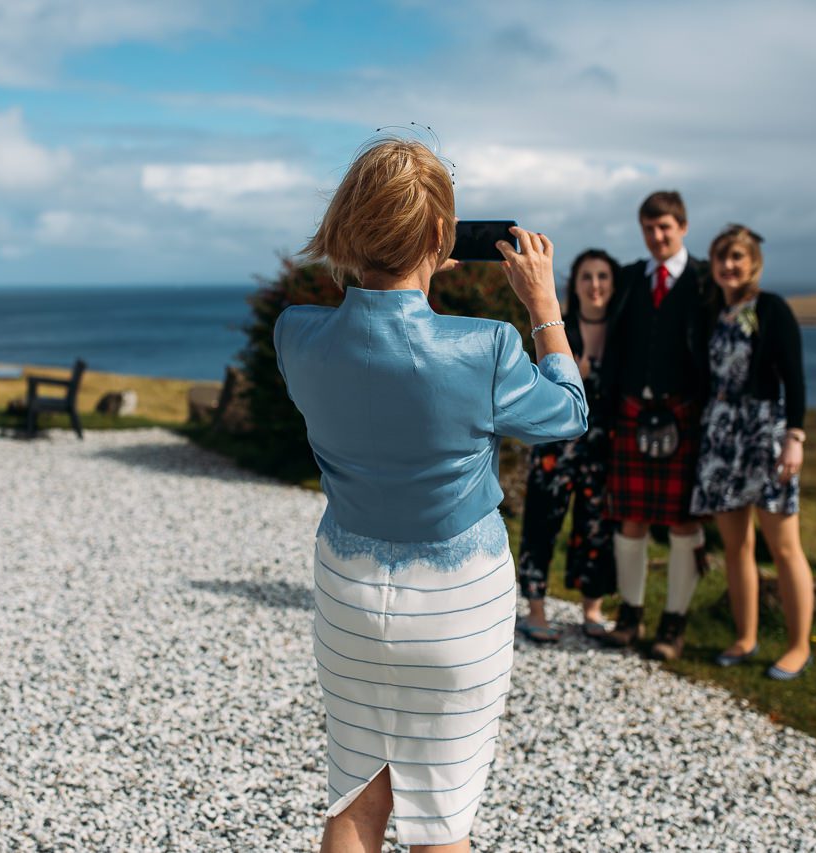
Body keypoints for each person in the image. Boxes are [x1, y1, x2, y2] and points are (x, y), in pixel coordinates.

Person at [273, 138, 587, 853]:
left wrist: (389, 267)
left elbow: (356, 342)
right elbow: (568, 412)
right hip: (457, 606)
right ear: (442, 237)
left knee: (357, 796)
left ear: (347, 226)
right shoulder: (488, 348)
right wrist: (543, 305)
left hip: (348, 593)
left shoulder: (295, 336)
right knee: (439, 820)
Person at [691, 224, 814, 679]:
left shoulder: (773, 309)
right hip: (721, 436)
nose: (729, 266)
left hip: (765, 434)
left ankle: (799, 646)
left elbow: (795, 378)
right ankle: (745, 637)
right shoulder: (713, 313)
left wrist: (795, 438)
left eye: (737, 257)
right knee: (736, 545)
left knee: (783, 547)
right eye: (722, 257)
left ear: (753, 262)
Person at [601, 190, 713, 661]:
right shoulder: (629, 278)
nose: (656, 236)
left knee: (684, 522)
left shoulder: (706, 279)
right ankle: (630, 614)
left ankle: (674, 623)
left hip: (684, 413)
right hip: (631, 410)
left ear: (683, 226)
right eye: (649, 228)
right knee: (631, 518)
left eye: (665, 227)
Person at [516, 249, 620, 643]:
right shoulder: (559, 327)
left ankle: (592, 607)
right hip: (556, 444)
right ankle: (536, 609)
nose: (595, 285)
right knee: (542, 524)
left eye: (603, 277)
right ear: (574, 286)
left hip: (603, 447)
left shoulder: (622, 330)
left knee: (596, 526)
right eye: (587, 277)